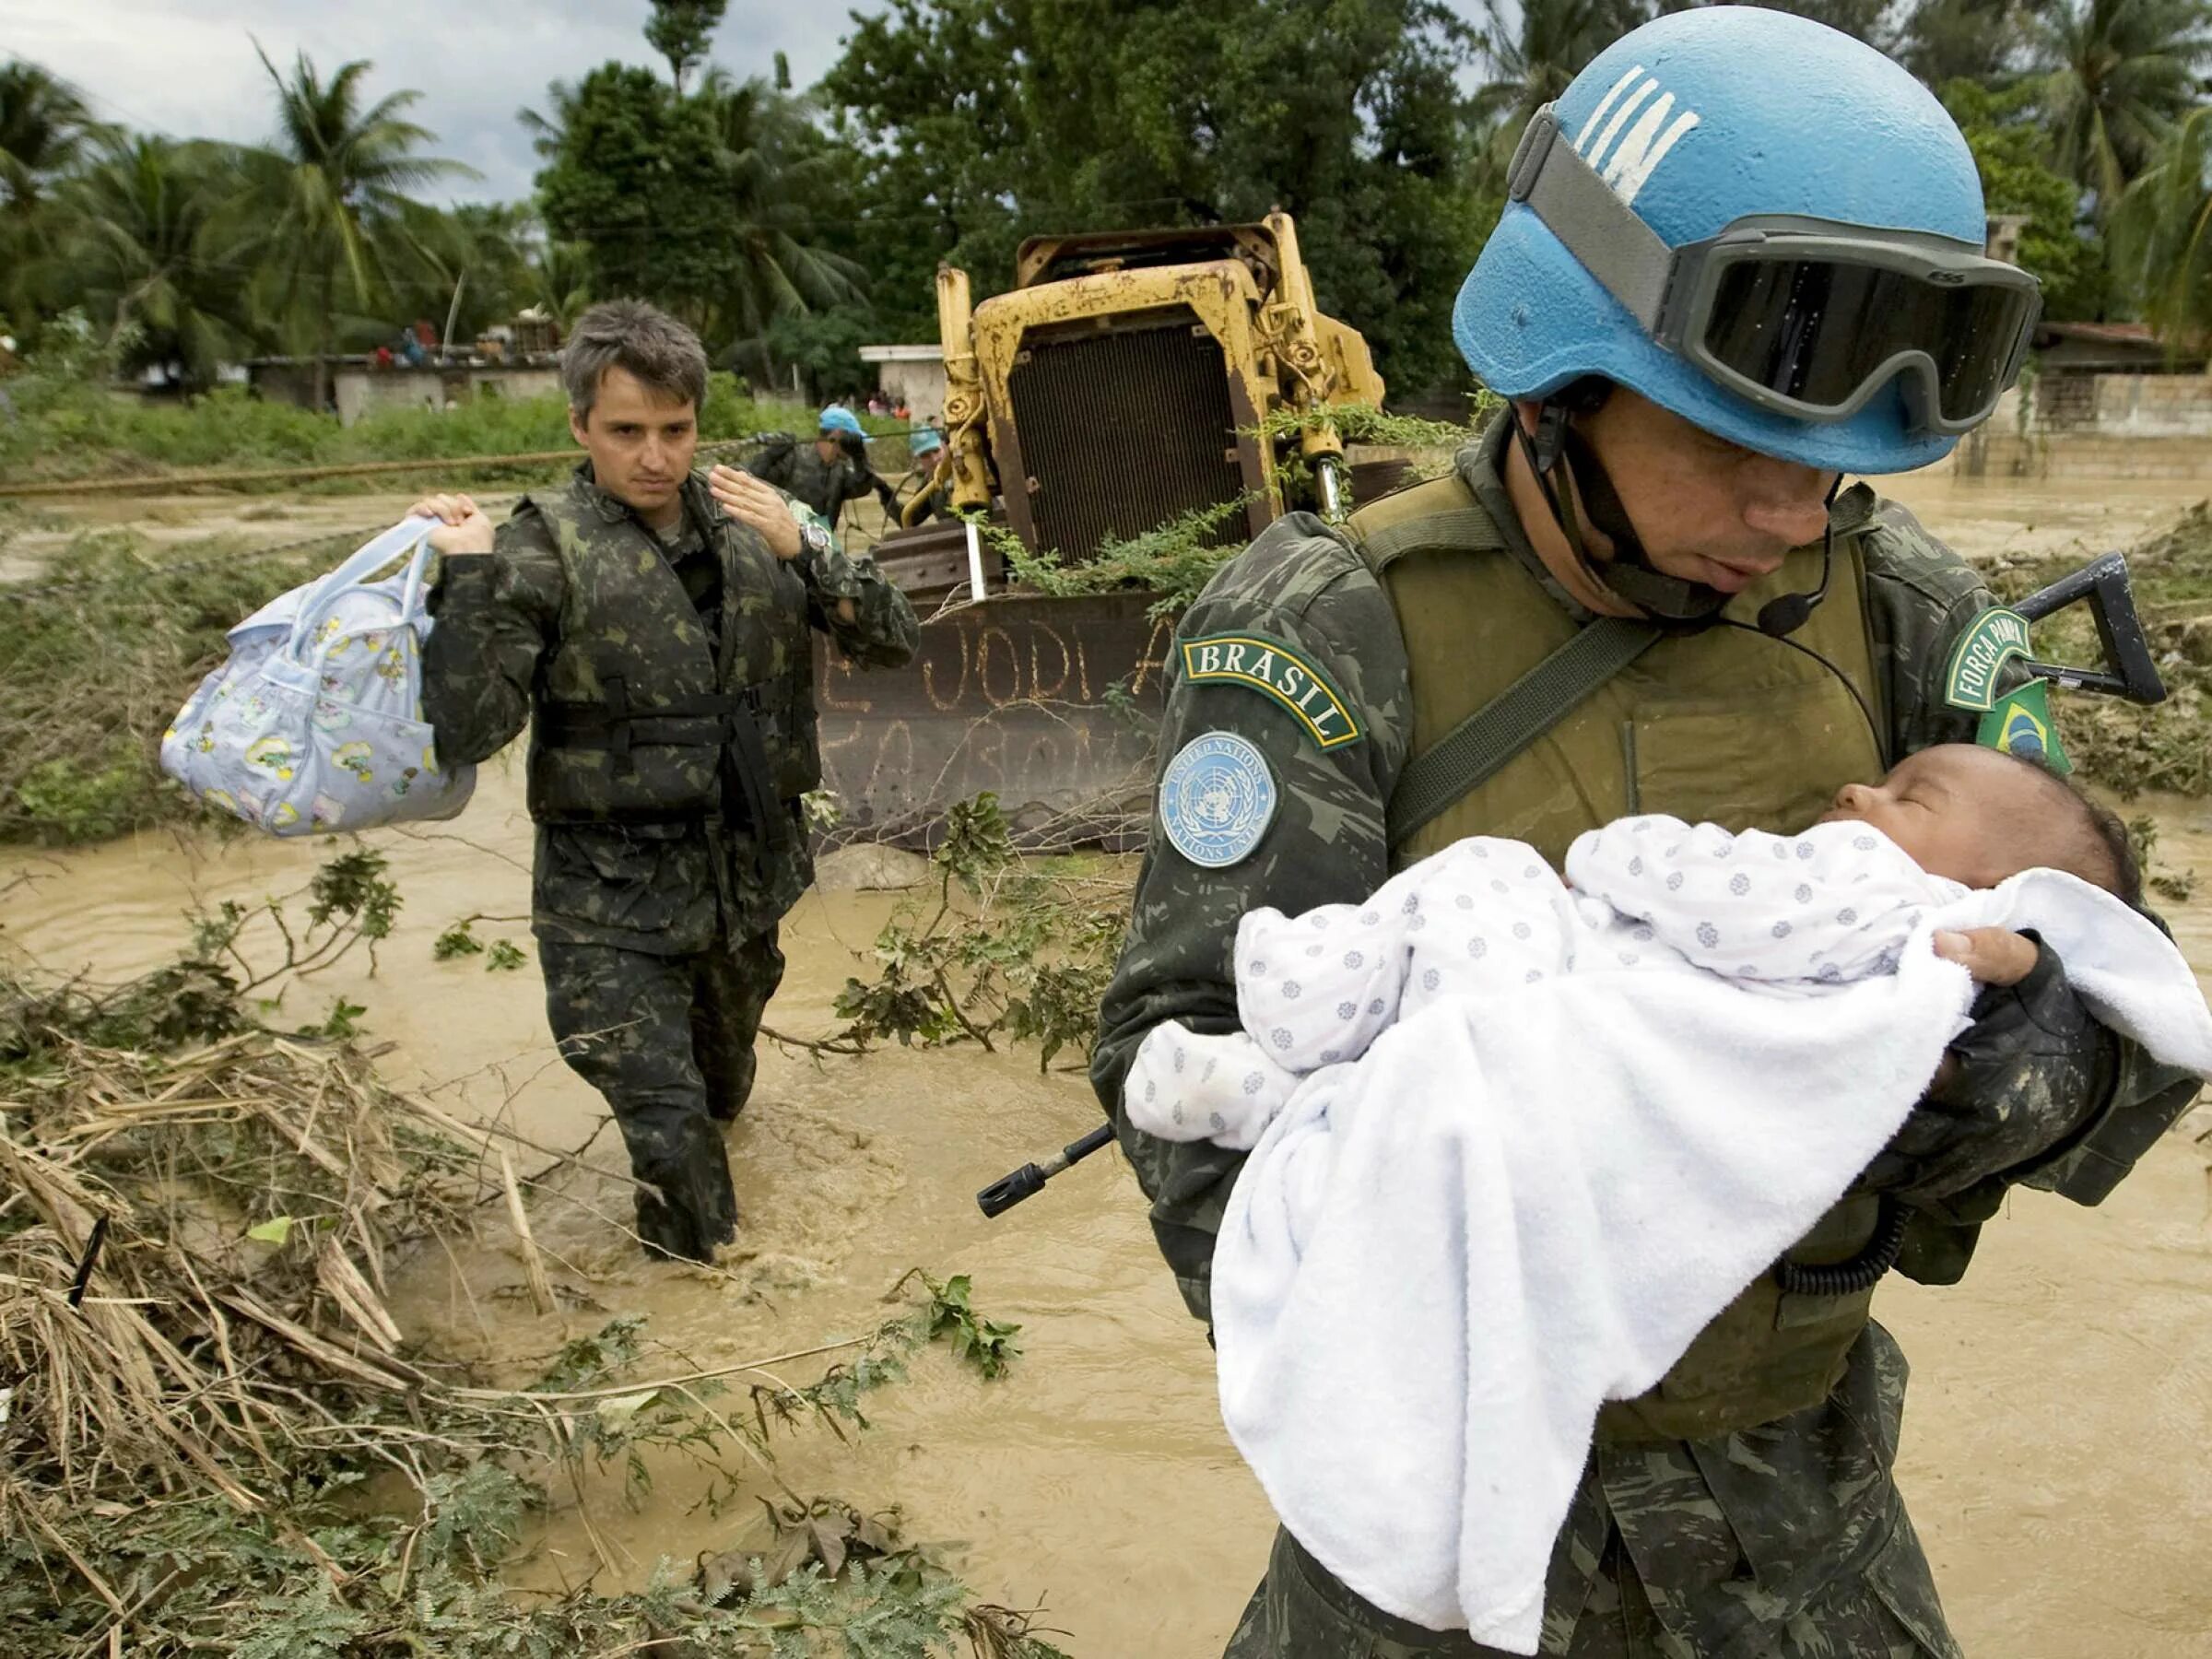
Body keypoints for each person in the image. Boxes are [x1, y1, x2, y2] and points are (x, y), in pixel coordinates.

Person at [1089, 11, 2204, 1656]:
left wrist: (1987, 1060)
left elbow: (2126, 1006)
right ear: (1564, 378)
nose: (1790, 517)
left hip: (1799, 1532)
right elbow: (1177, 1060)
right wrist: (1431, 1268)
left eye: (1835, 473)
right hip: (1439, 1531)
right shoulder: (1337, 619)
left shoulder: (1904, 615)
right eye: (1741, 446)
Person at [408, 300, 920, 1263]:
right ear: (579, 428)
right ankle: (710, 1325)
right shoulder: (536, 549)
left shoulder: (755, 520)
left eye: (675, 431)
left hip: (741, 891)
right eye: (626, 432)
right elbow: (471, 729)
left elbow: (894, 641)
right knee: (675, 1138)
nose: (654, 456)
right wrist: (465, 578)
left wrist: (804, 549)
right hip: (609, 907)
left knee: (724, 1096)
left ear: (698, 421)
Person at [1127, 745, 2145, 1153]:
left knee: (1484, 882)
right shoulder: (1342, 602)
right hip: (1442, 1401)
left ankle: (1309, 1044)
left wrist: (2022, 1038)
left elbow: (2117, 1052)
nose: (1856, 793)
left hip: (1789, 1474)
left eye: (1905, 796)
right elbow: (1155, 1004)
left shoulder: (1900, 602)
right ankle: (1306, 1085)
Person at [745, 405, 900, 531]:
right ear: (838, 434)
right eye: (852, 438)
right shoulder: (792, 458)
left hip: (821, 552)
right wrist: (769, 456)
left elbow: (862, 488)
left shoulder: (840, 472)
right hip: (784, 545)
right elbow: (749, 483)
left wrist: (860, 458)